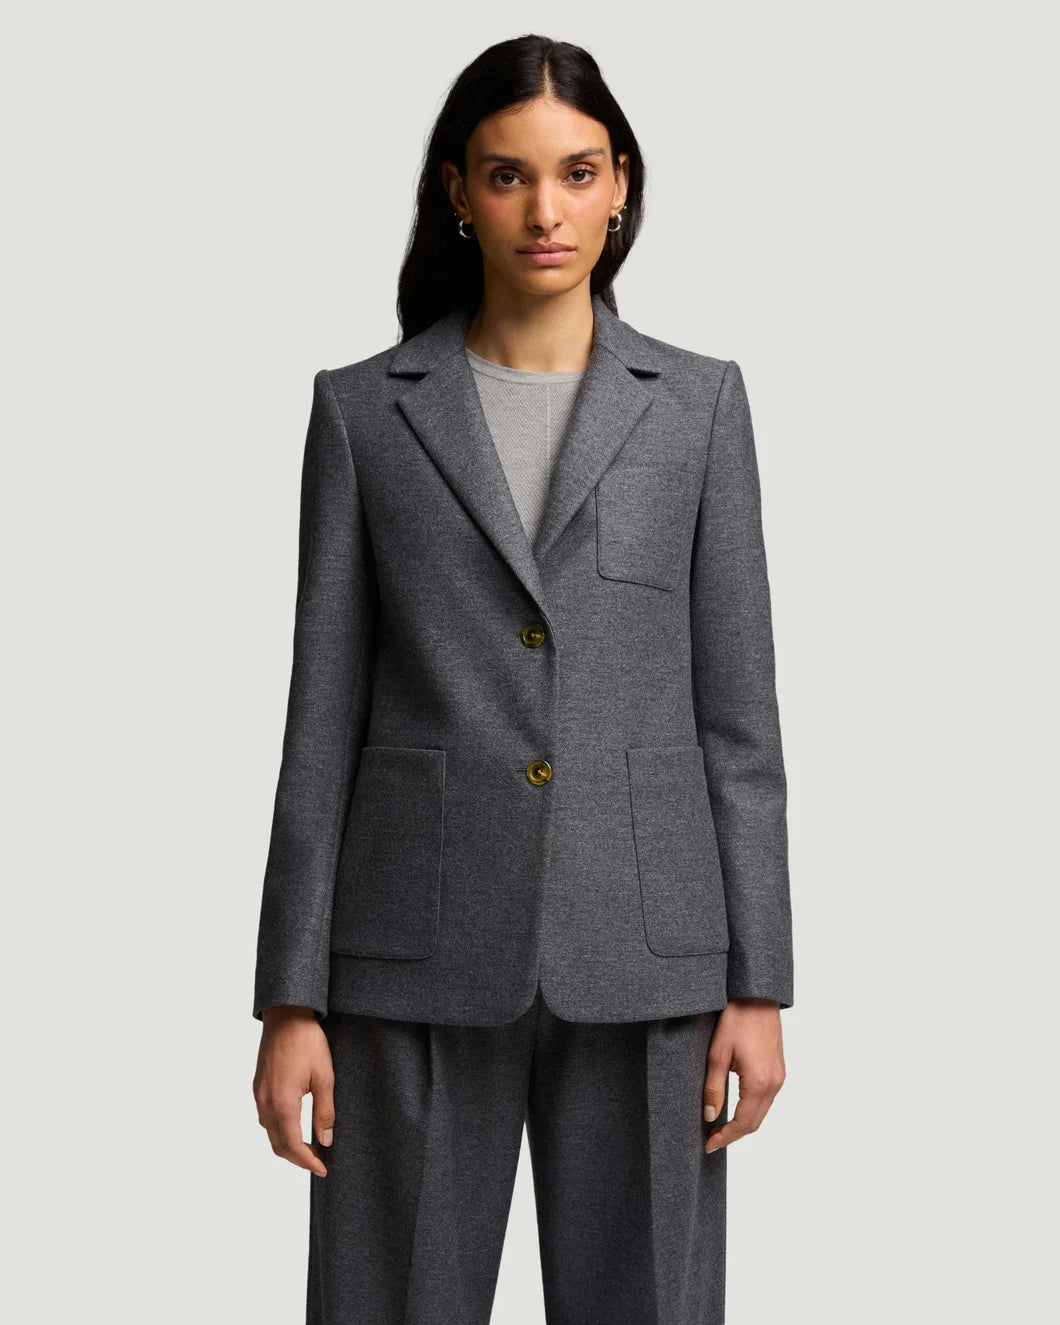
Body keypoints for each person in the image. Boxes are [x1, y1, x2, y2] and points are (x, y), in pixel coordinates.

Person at [251, 33, 794, 1325]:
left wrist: (760, 981)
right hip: (410, 946)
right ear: (459, 192)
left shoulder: (699, 406)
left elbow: (739, 723)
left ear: (620, 187)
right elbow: (320, 723)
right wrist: (290, 997)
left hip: (650, 953)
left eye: (577, 173)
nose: (545, 211)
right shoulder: (365, 412)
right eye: (508, 176)